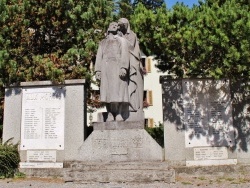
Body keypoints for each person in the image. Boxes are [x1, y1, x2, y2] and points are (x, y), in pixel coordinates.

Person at [95, 22, 130, 121]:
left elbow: (124, 54)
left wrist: (124, 67)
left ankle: (118, 113)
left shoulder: (121, 40)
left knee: (118, 91)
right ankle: (110, 113)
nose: (115, 26)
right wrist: (98, 70)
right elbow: (99, 56)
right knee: (106, 92)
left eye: (116, 25)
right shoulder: (102, 42)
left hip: (117, 67)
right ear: (109, 28)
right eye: (112, 25)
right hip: (105, 68)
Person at [118, 18, 144, 114]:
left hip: (132, 60)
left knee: (132, 82)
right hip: (121, 61)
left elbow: (130, 46)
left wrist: (120, 38)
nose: (121, 28)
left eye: (123, 25)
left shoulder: (132, 34)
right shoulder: (119, 34)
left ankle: (133, 105)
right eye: (120, 26)